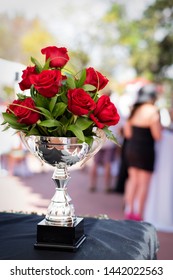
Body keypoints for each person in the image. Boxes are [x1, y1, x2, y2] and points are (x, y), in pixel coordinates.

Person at [123, 84, 162, 221]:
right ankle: (139, 214)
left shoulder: (134, 109)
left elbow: (127, 134)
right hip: (145, 150)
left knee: (132, 180)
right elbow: (157, 135)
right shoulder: (153, 110)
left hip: (131, 148)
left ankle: (129, 211)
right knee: (144, 183)